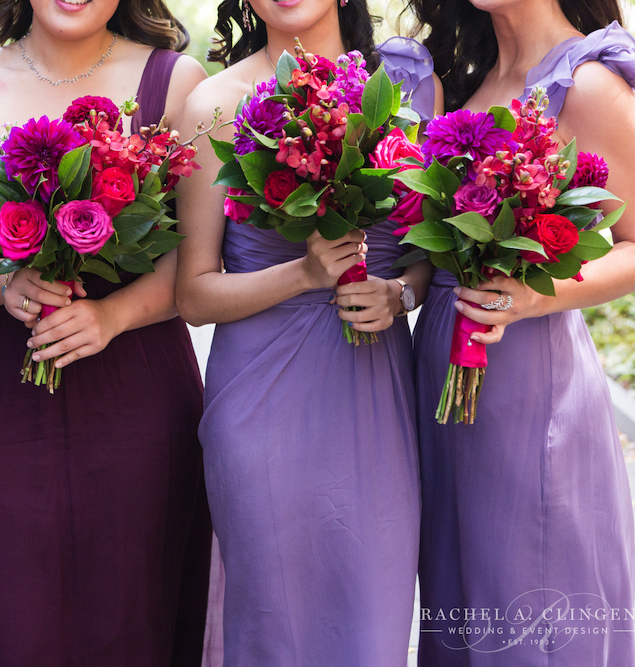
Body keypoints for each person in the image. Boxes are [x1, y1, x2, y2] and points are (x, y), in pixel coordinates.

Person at [0, 0, 212, 664]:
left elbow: (194, 262)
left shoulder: (176, 83)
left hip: (140, 389)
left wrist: (111, 314)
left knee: (137, 614)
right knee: (15, 621)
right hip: (4, 394)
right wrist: (5, 281)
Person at [174, 0, 442, 664]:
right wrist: (303, 273)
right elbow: (193, 294)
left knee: (372, 623)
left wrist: (402, 292)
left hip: (375, 394)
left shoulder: (410, 85)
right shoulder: (215, 101)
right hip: (261, 404)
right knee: (275, 624)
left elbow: (429, 249)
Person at [405, 0, 635, 664]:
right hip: (447, 383)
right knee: (463, 599)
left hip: (528, 385)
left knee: (530, 602)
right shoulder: (471, 78)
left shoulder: (587, 82)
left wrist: (527, 295)